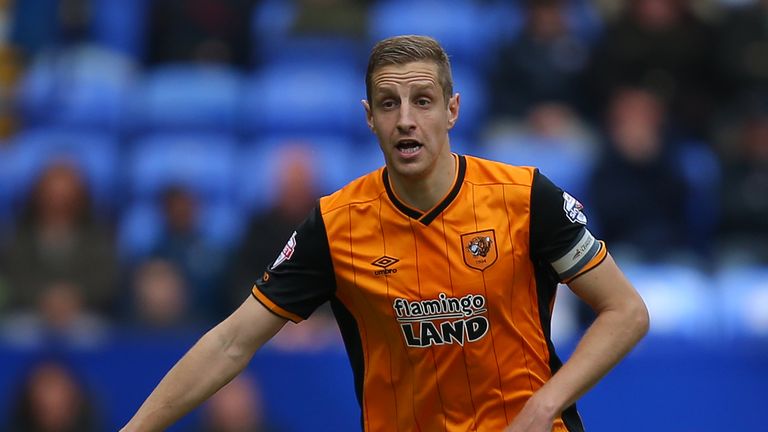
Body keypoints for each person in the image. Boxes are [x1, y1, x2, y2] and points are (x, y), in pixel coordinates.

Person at [121, 35, 649, 432]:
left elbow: (626, 311)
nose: (406, 120)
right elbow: (232, 341)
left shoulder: (525, 197)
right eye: (389, 104)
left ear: (452, 110)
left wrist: (544, 405)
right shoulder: (336, 225)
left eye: (423, 101)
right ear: (369, 117)